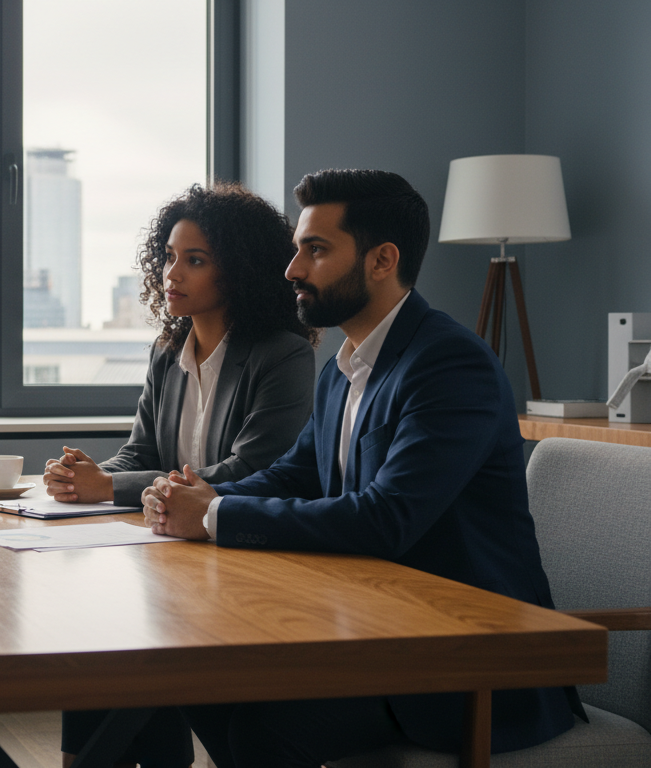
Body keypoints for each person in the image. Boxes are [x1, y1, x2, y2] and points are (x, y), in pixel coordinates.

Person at [142, 169, 582, 767]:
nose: (293, 269)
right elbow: (295, 474)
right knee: (199, 682)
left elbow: (386, 518)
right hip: (373, 634)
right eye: (298, 248)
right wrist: (195, 493)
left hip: (469, 662)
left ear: (382, 260)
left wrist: (215, 513)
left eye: (315, 250)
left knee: (262, 724)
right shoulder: (343, 367)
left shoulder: (450, 365)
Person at [44, 183, 319, 768]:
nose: (173, 272)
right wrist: (86, 474)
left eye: (194, 260)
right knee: (96, 646)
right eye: (169, 257)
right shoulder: (169, 349)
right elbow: (140, 451)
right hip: (170, 560)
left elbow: (253, 469)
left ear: (239, 271)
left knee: (117, 646)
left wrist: (111, 488)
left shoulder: (282, 354)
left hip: (243, 567)